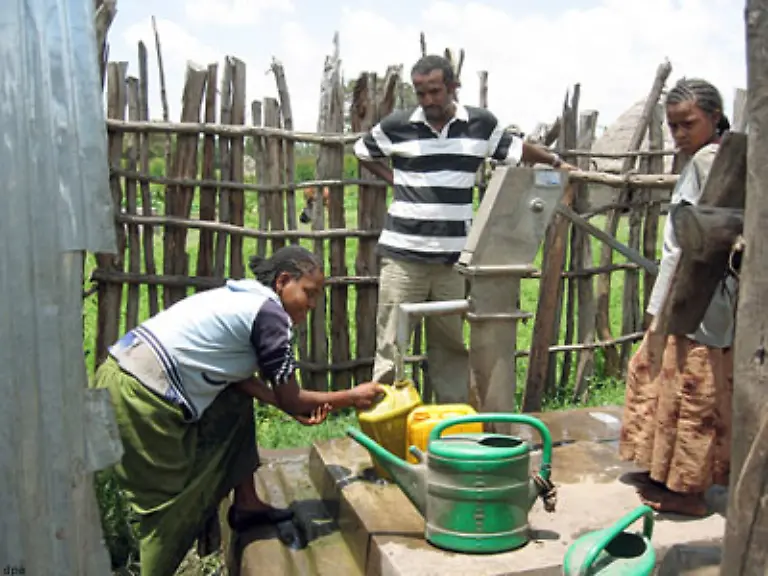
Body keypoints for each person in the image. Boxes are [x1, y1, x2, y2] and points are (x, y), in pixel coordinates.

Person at [92, 245, 383, 575]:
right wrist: (352, 396)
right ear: (284, 281)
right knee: (170, 508)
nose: (313, 305)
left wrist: (281, 404)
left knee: (236, 406)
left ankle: (247, 504)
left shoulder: (245, 298)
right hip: (140, 394)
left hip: (122, 374)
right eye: (309, 293)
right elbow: (292, 397)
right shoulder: (271, 317)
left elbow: (238, 382)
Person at [354, 53, 575, 403]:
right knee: (391, 347)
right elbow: (363, 151)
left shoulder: (479, 125)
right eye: (421, 93)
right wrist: (395, 179)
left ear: (454, 87)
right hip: (403, 259)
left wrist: (554, 161)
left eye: (436, 91)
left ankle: (452, 426)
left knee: (451, 347)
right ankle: (387, 426)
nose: (428, 100)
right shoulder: (397, 125)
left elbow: (515, 150)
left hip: (452, 262)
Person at [619, 78, 736, 517]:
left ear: (714, 117)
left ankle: (689, 491)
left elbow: (698, 240)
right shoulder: (708, 158)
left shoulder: (714, 161)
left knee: (693, 389)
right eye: (673, 126)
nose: (679, 134)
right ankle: (664, 470)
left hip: (700, 294)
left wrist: (666, 304)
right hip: (689, 291)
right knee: (667, 377)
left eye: (688, 123)